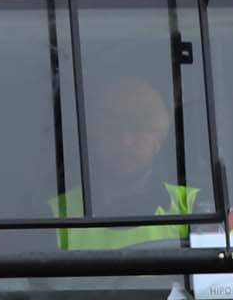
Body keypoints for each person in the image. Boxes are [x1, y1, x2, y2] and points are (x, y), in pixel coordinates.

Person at [54, 76, 199, 249]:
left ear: (159, 138)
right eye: (112, 129)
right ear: (95, 137)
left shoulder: (194, 208)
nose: (125, 142)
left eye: (138, 129)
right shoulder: (56, 215)